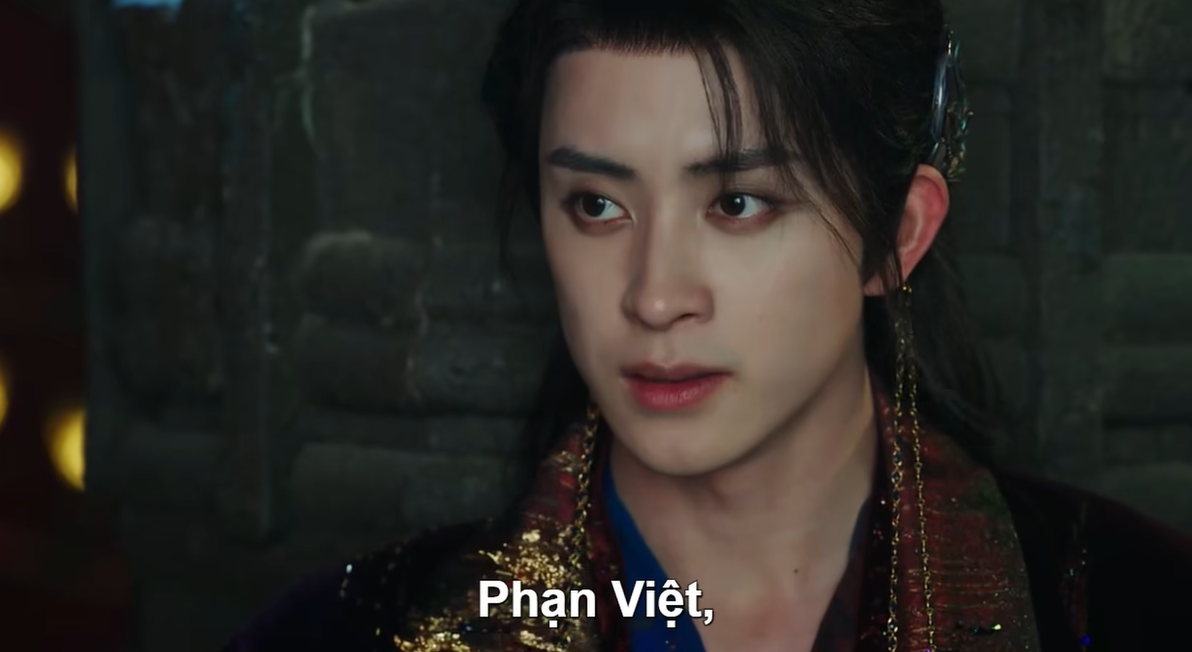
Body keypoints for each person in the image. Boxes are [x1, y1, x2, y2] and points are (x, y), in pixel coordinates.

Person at [225, 0, 1192, 650]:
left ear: (898, 233)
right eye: (597, 206)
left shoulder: (1134, 605)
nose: (654, 298)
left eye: (737, 204)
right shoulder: (350, 634)